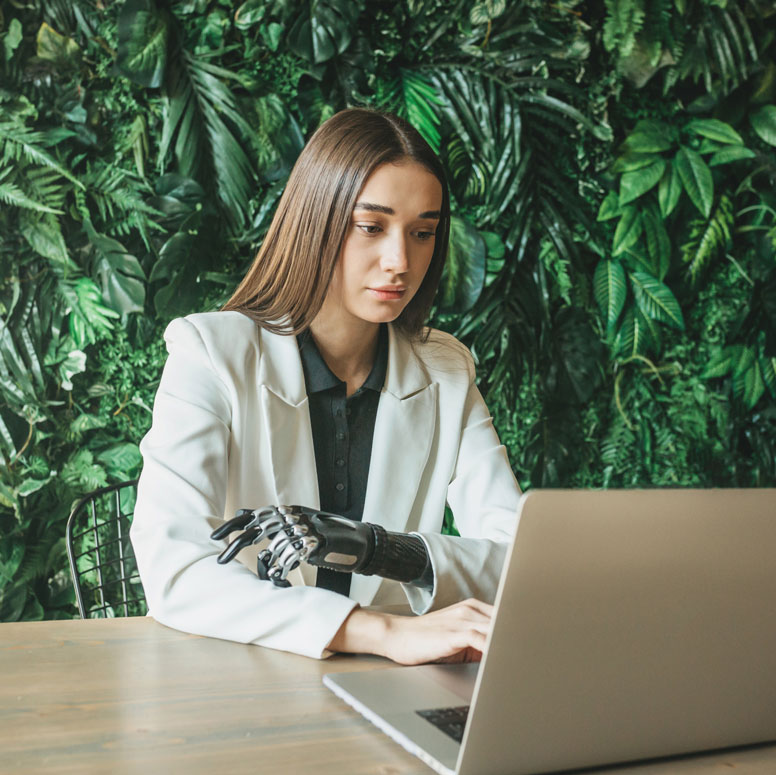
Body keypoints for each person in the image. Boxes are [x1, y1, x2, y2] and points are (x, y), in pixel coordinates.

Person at [130, 108, 521, 664]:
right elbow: (176, 570)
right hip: (243, 676)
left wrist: (382, 551)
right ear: (318, 220)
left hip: (390, 687)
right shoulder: (211, 353)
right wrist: (385, 634)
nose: (399, 261)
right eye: (371, 226)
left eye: (423, 233)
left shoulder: (446, 369)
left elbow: (519, 560)